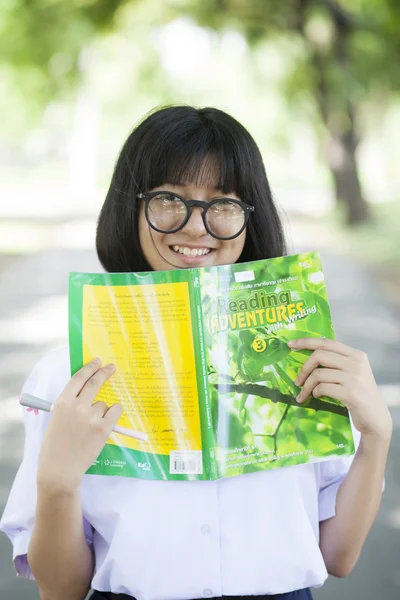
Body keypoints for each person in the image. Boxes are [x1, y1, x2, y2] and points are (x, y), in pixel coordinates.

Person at [0, 106, 392, 600]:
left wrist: (376, 433)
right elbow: (62, 590)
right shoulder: (69, 374)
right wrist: (57, 481)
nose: (195, 227)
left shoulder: (301, 359)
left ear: (251, 217)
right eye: (169, 199)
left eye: (224, 204)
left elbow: (338, 556)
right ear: (131, 207)